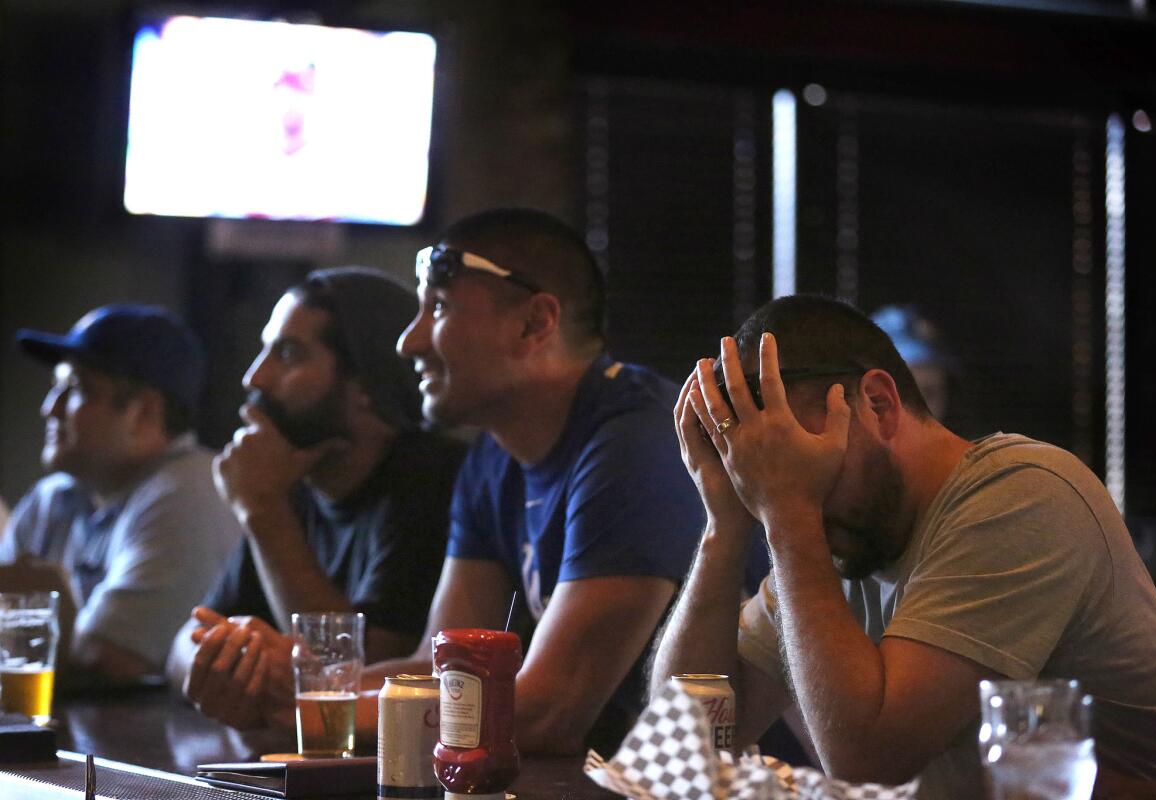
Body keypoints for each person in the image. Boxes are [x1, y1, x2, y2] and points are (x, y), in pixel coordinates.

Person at [651, 294, 1156, 797]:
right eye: (769, 475)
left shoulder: (1024, 495)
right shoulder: (834, 534)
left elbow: (868, 759)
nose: (790, 489)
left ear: (879, 402)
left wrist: (788, 514)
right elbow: (688, 749)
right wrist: (725, 525)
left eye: (804, 463)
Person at [355, 208, 705, 755]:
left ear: (534, 324)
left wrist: (299, 710)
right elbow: (442, 668)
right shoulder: (494, 454)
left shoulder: (639, 443)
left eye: (439, 307)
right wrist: (292, 687)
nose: (409, 341)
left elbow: (543, 714)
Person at [167, 267, 464, 731]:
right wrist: (223, 670)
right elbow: (186, 642)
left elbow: (363, 673)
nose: (255, 378)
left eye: (287, 354)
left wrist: (263, 511)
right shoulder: (296, 483)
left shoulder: (432, 480)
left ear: (366, 382)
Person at [0, 304, 241, 684]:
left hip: (160, 742)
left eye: (77, 389)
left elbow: (108, 657)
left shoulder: (189, 490)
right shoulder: (52, 499)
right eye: (55, 388)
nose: (50, 409)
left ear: (143, 412)